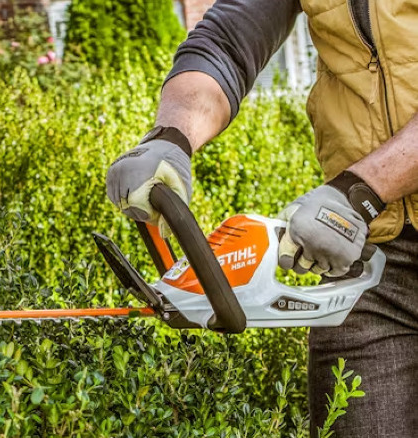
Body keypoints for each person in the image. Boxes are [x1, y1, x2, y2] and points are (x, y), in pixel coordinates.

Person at [105, 0, 418, 436]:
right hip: (366, 269)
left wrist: (364, 190)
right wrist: (171, 136)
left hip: (357, 212)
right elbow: (229, 40)